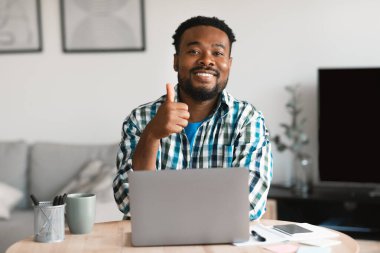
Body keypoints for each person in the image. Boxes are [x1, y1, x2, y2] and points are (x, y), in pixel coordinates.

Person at [113, 16, 273, 220]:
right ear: (176, 61)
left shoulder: (247, 120)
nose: (207, 60)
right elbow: (129, 201)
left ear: (229, 64)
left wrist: (162, 204)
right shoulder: (140, 119)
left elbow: (249, 204)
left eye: (218, 53)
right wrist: (152, 134)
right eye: (194, 51)